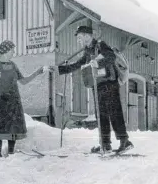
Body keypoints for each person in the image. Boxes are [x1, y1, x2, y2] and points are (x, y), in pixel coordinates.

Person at [50, 26, 134, 154]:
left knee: (114, 113)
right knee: (101, 116)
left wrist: (98, 63)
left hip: (109, 83)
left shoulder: (100, 45)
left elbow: (111, 56)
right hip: (98, 86)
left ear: (88, 36)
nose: (78, 40)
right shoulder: (88, 51)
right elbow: (77, 64)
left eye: (79, 37)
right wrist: (58, 69)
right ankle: (105, 145)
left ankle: (125, 141)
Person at [0, 40, 44, 157]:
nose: (14, 52)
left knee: (13, 128)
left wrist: (37, 72)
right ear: (5, 51)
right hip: (0, 101)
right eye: (12, 50)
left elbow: (24, 81)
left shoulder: (13, 65)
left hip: (13, 101)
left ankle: (11, 154)